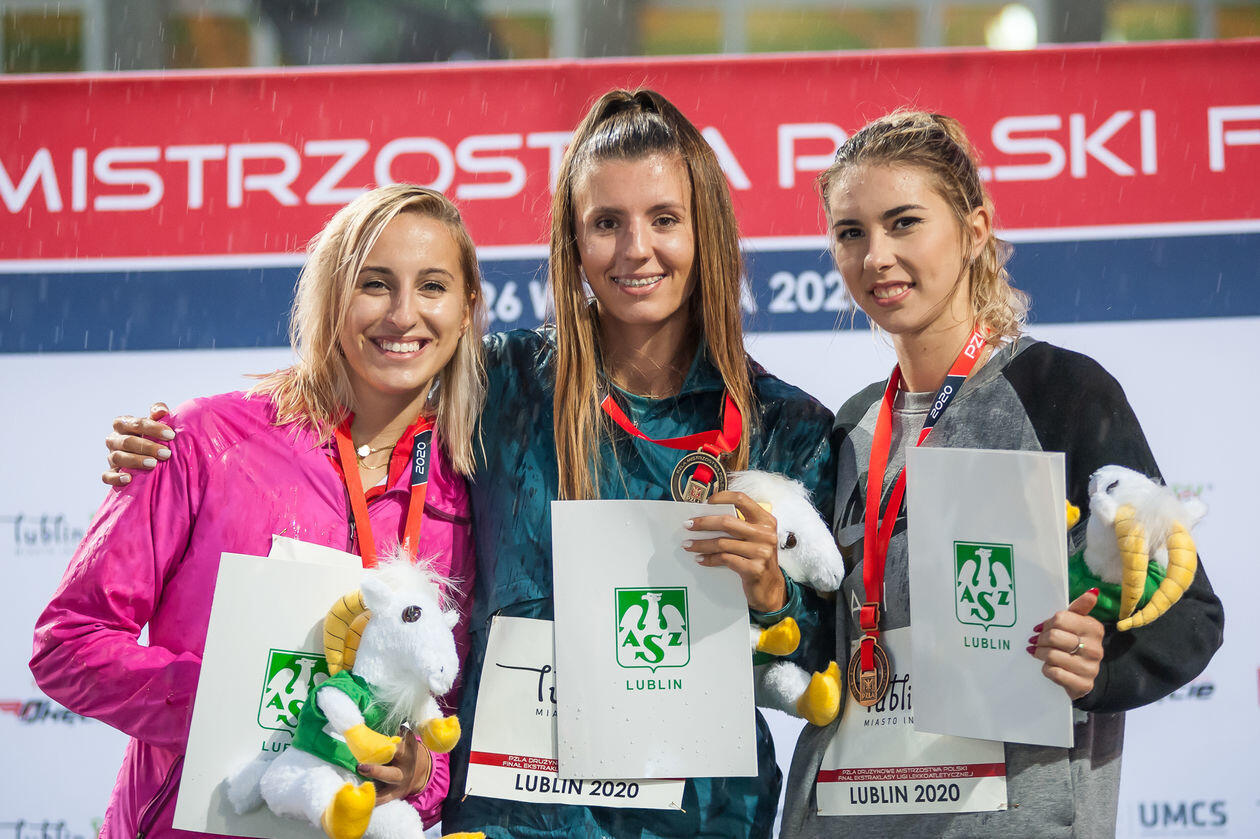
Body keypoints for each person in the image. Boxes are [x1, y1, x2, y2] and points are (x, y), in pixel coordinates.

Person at [97, 89, 836, 839]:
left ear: (706, 228)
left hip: (698, 815)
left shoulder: (785, 425)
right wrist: (185, 440)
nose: (635, 249)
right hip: (515, 815)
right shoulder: (501, 380)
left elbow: (821, 665)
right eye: (606, 223)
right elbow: (367, 374)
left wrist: (771, 593)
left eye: (665, 219)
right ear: (573, 239)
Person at [778, 111, 1224, 839]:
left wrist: (1100, 663)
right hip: (849, 814)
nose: (876, 256)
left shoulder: (1062, 392)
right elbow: (830, 643)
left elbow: (1187, 614)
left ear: (975, 230)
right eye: (850, 232)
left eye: (904, 223)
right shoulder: (853, 425)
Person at [32, 185, 486, 839]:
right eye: (375, 283)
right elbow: (69, 642)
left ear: (467, 309)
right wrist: (225, 704)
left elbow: (448, 705)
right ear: (333, 296)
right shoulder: (205, 440)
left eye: (433, 286)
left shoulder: (469, 490)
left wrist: (420, 773)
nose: (403, 314)